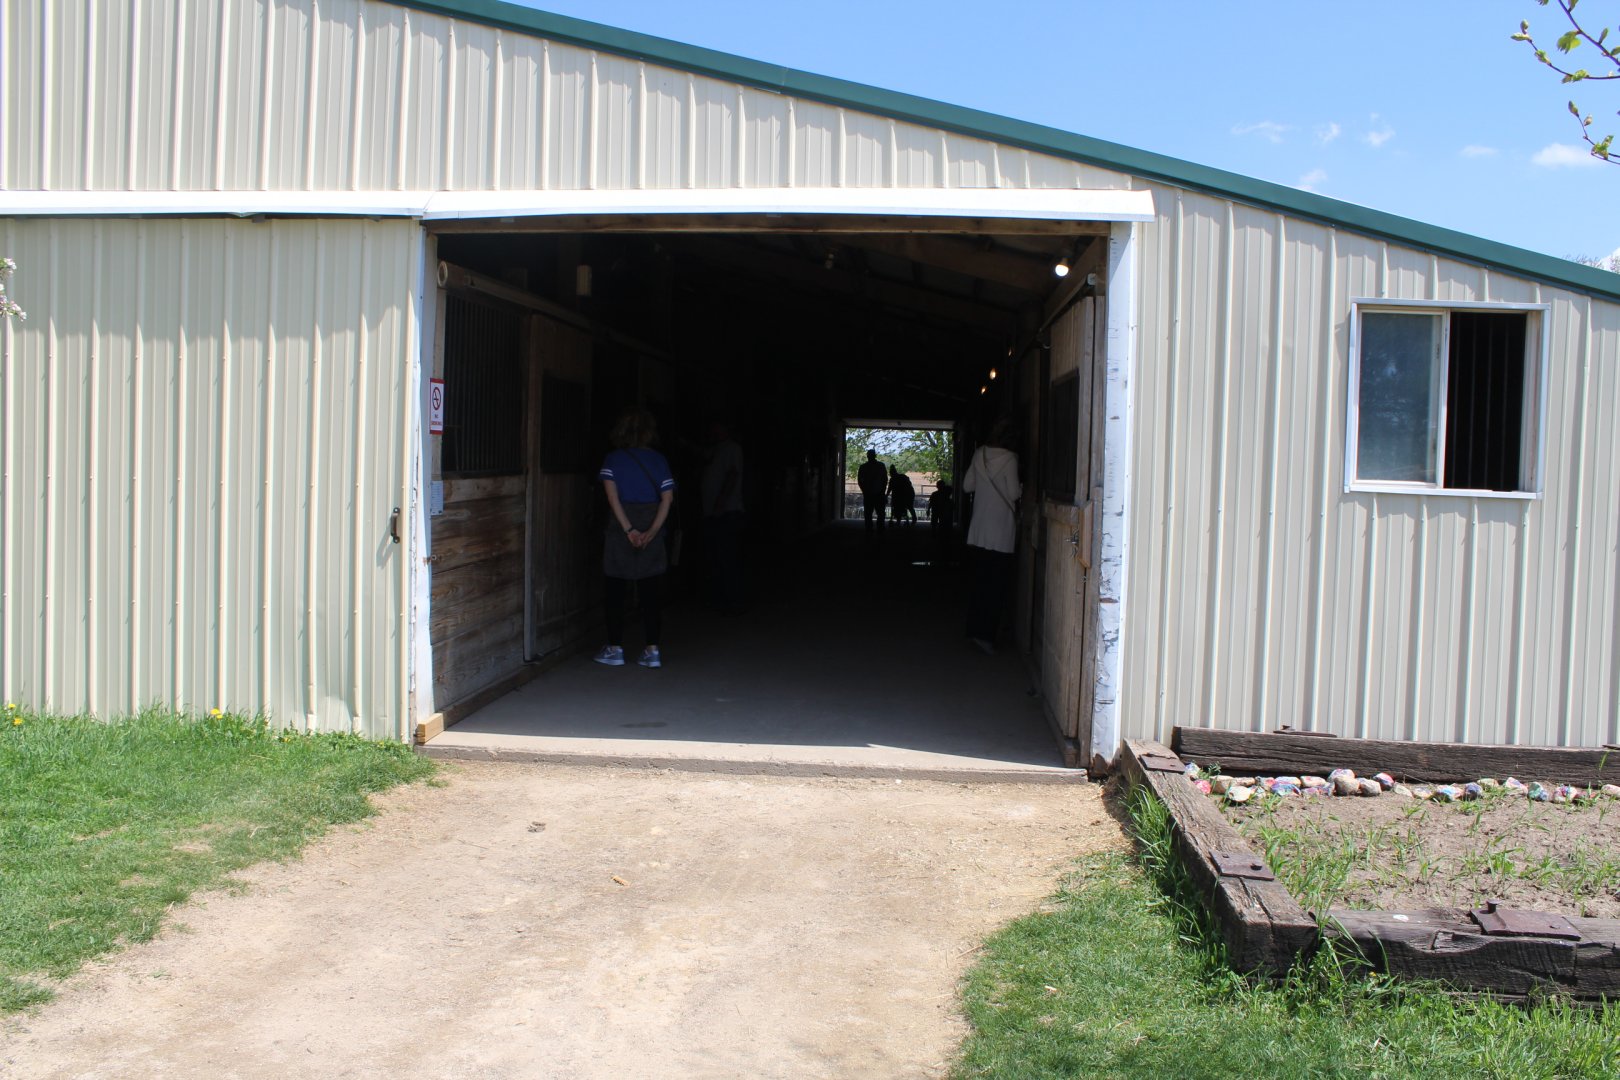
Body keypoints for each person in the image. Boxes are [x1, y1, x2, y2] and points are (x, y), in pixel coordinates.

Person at [595, 408, 675, 669]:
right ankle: (652, 650)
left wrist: (629, 529)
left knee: (615, 589)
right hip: (652, 523)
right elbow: (668, 498)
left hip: (621, 528)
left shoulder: (613, 459)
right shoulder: (659, 460)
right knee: (651, 590)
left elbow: (612, 498)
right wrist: (651, 531)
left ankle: (615, 649)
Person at [961, 421, 1022, 654]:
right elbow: (1014, 492)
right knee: (995, 586)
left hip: (979, 530)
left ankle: (972, 629)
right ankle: (986, 635)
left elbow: (968, 486)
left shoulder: (979, 454)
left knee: (979, 583)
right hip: (1001, 531)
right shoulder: (1011, 459)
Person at [701, 420, 747, 614]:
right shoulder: (716, 449)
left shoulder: (732, 449)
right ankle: (721, 599)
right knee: (718, 556)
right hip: (715, 511)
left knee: (726, 557)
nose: (713, 429)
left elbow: (732, 475)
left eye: (717, 426)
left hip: (726, 512)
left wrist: (720, 503)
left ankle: (731, 600)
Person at [857, 449, 888, 533]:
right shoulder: (881, 466)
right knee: (880, 513)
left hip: (868, 494)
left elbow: (860, 481)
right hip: (879, 493)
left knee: (868, 513)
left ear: (867, 456)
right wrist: (883, 490)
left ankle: (869, 529)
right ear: (875, 456)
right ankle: (880, 528)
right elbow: (885, 479)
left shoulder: (863, 467)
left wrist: (864, 490)